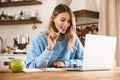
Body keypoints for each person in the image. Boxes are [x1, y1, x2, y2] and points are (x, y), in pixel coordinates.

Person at [26, 4, 84, 68]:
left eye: (69, 21)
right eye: (62, 20)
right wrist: (49, 49)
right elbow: (30, 67)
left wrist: (66, 64)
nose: (66, 24)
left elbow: (84, 61)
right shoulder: (39, 39)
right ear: (53, 18)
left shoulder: (73, 38)